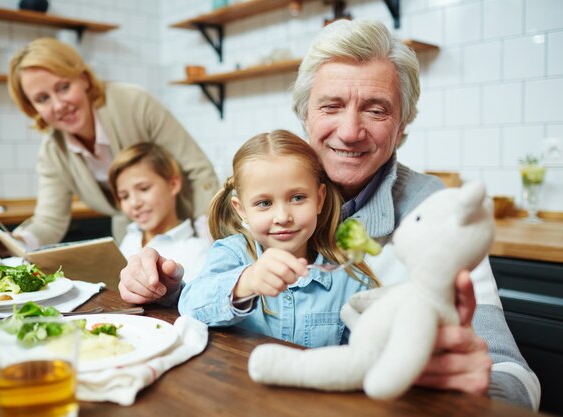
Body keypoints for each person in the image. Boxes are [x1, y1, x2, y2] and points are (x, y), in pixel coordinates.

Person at [118, 19, 540, 409]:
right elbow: (220, 295)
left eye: (376, 109)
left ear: (403, 125)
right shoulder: (268, 185)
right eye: (331, 106)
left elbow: (515, 376)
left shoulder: (435, 213)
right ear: (304, 115)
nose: (351, 131)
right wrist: (165, 288)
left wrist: (481, 386)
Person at [0, 37, 218, 255]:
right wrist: (13, 242)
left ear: (83, 78)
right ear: (32, 108)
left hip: (191, 227)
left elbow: (197, 170)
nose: (59, 105)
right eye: (42, 98)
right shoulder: (52, 153)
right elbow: (50, 220)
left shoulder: (134, 103)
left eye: (63, 87)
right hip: (136, 238)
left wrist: (211, 237)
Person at [178, 130, 379, 347]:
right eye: (264, 203)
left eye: (297, 198)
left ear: (319, 199)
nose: (283, 217)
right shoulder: (231, 253)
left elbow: (368, 352)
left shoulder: (349, 278)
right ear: (241, 209)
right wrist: (246, 282)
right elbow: (189, 306)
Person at [108, 142, 210, 282]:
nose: (134, 203)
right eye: (124, 196)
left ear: (173, 185)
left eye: (144, 189)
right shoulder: (130, 239)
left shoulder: (198, 250)